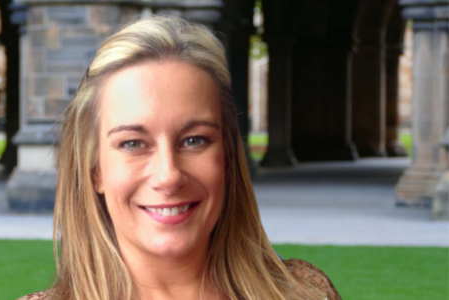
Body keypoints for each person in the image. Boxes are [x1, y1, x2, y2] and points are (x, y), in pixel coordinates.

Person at [19, 16, 341, 300]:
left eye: (194, 140)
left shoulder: (305, 293)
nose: (168, 176)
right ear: (95, 170)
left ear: (227, 157)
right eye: (132, 143)